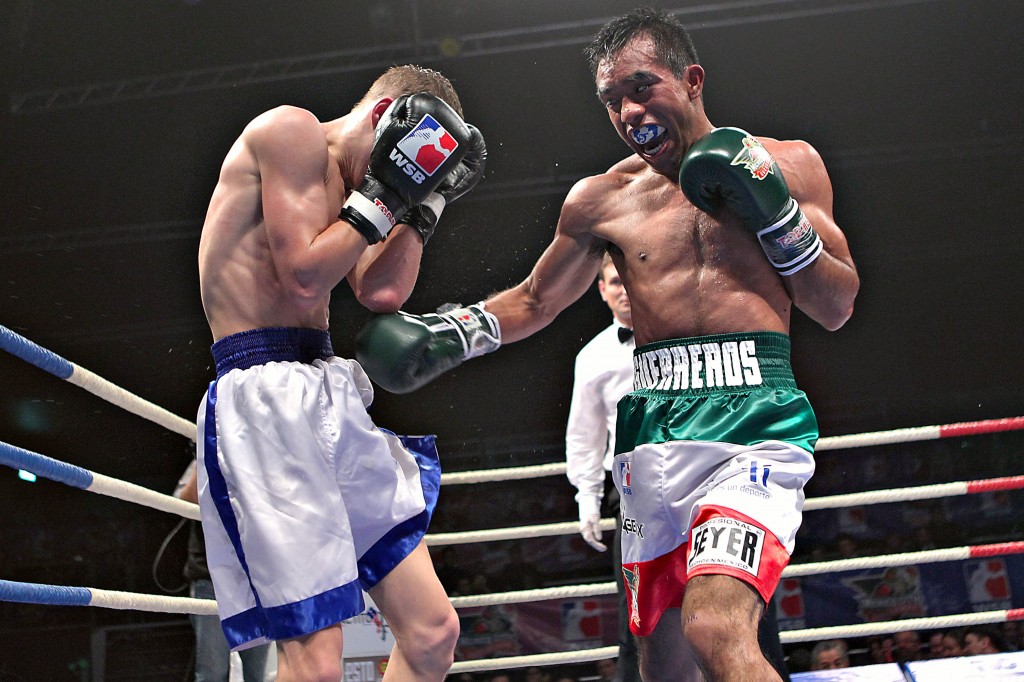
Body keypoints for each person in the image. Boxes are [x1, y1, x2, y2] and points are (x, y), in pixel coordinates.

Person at [356, 7, 859, 682]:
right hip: (652, 434)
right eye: (612, 100)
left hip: (755, 424)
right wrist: (450, 334)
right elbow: (537, 299)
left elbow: (836, 304)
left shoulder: (788, 165)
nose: (627, 110)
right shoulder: (601, 200)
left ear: (691, 80)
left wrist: (778, 216)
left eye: (642, 87)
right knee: (662, 660)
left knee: (718, 623)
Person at [195, 64, 486, 681]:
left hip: (326, 389)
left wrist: (422, 203)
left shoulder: (361, 194)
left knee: (434, 632)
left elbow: (382, 291)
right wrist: (384, 192)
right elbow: (303, 276)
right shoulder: (290, 133)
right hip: (263, 395)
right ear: (386, 117)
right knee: (317, 666)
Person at [564, 255, 639, 682]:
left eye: (629, 279)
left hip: (696, 481)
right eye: (615, 281)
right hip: (630, 494)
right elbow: (585, 433)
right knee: (637, 612)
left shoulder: (678, 334)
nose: (624, 289)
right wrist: (587, 502)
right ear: (602, 290)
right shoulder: (592, 357)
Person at [174, 460, 276, 681]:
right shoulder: (206, 449)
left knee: (256, 674)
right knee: (212, 673)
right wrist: (203, 455)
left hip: (255, 579)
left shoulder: (256, 450)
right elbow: (186, 500)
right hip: (211, 578)